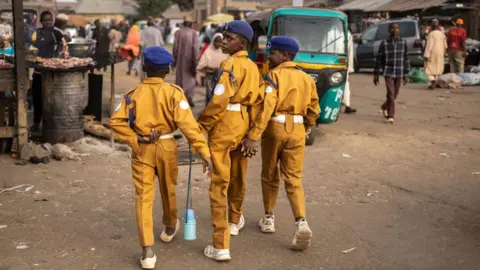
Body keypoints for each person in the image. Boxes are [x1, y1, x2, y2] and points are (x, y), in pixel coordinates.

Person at [110, 46, 213, 270]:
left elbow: (115, 122)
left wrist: (136, 139)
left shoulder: (133, 95)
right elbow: (190, 128)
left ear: (145, 68)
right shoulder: (174, 93)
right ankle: (168, 227)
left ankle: (147, 251)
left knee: (143, 197)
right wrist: (204, 153)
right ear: (167, 70)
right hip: (167, 146)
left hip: (142, 149)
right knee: (169, 189)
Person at [242, 36, 319, 250]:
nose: (269, 56)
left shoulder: (273, 76)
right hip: (297, 129)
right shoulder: (306, 78)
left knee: (269, 174)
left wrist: (253, 136)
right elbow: (314, 108)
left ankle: (268, 218)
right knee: (294, 178)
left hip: (274, 128)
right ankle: (301, 221)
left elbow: (267, 108)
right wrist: (307, 127)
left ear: (284, 55)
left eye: (272, 52)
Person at [198, 20, 264, 261]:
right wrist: (252, 136)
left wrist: (200, 125)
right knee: (238, 176)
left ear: (242, 42)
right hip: (242, 125)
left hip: (225, 125)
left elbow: (218, 102)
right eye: (224, 37)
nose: (223, 41)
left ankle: (220, 245)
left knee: (218, 184)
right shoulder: (252, 66)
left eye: (229, 38)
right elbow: (258, 103)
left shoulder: (229, 65)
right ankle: (234, 220)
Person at [31, 11, 64, 131]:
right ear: (41, 21)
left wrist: (61, 47)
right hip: (39, 71)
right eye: (45, 20)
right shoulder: (37, 33)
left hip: (52, 72)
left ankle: (52, 124)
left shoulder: (57, 32)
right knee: (37, 99)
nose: (48, 22)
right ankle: (36, 122)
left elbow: (67, 40)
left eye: (50, 20)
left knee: (53, 100)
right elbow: (30, 45)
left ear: (53, 20)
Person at [374, 23, 409, 124]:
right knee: (390, 93)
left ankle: (385, 106)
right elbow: (379, 60)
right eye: (393, 28)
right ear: (389, 30)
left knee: (395, 94)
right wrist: (376, 74)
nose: (395, 30)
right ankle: (391, 115)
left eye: (397, 28)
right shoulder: (384, 43)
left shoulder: (403, 42)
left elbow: (406, 58)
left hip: (399, 71)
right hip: (388, 71)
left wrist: (406, 73)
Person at [173, 16, 198, 107]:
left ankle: (181, 97)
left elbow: (175, 48)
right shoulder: (194, 33)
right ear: (191, 24)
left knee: (180, 78)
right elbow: (195, 48)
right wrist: (195, 60)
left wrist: (174, 60)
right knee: (191, 79)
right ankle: (189, 97)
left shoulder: (178, 33)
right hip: (190, 60)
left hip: (180, 60)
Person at [424, 19, 447, 89]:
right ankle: (435, 81)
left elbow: (429, 45)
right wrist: (444, 53)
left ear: (432, 26)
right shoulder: (442, 34)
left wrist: (426, 55)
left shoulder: (431, 34)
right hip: (440, 53)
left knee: (428, 67)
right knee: (438, 68)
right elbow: (445, 45)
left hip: (432, 53)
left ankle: (432, 80)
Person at [139, 17, 164, 82]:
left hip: (147, 53)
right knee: (156, 69)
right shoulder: (157, 31)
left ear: (147, 24)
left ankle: (146, 83)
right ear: (153, 24)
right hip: (156, 53)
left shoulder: (144, 31)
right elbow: (161, 43)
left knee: (146, 70)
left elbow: (141, 43)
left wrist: (139, 54)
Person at [344, 30, 357, 114]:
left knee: (345, 85)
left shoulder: (347, 35)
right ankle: (347, 105)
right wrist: (350, 68)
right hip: (341, 62)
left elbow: (350, 52)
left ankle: (347, 105)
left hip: (340, 62)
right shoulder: (348, 34)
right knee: (345, 85)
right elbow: (350, 52)